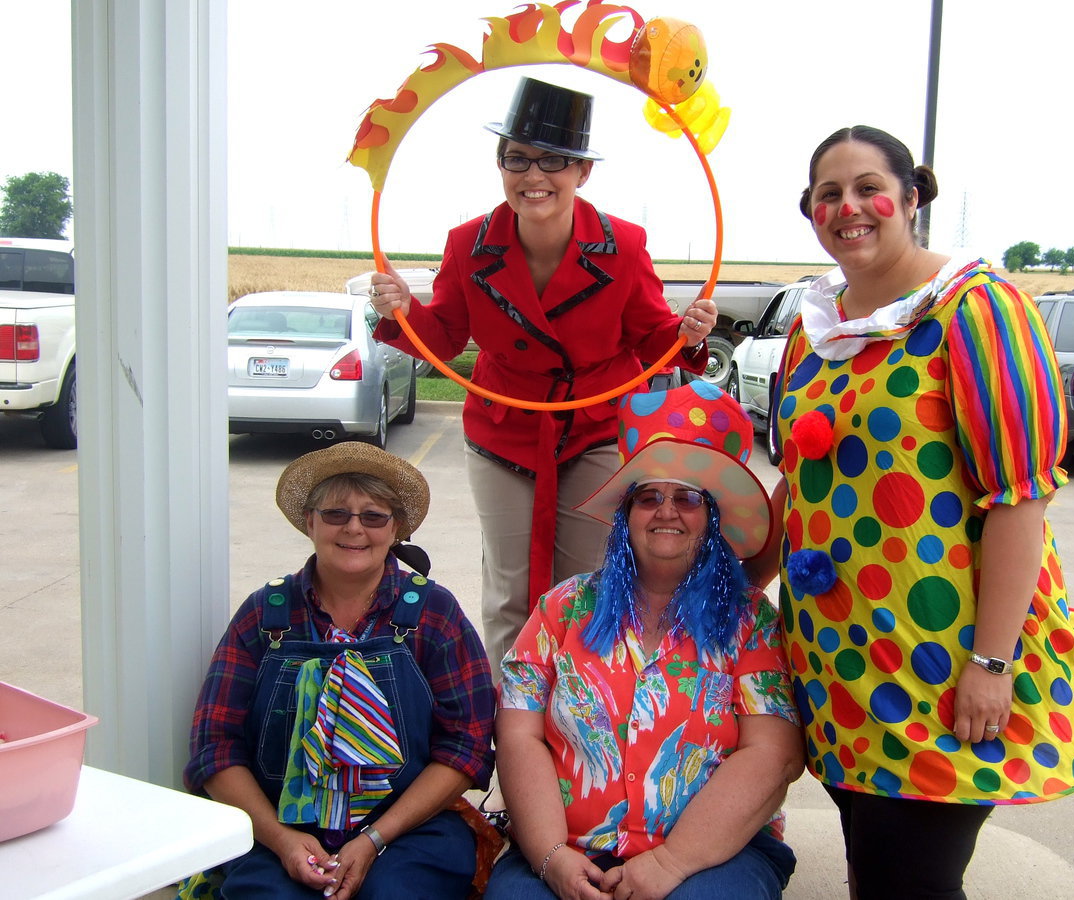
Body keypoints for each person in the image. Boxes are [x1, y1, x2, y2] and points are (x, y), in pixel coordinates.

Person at [745, 125, 1074, 898]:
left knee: (912, 878)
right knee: (874, 864)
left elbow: (1021, 499)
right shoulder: (814, 332)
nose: (848, 208)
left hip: (939, 661)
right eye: (828, 194)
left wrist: (992, 664)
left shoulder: (976, 309)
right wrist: (741, 585)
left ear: (912, 197)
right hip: (835, 662)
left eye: (869, 188)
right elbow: (800, 480)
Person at [367, 76, 717, 676]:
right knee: (509, 589)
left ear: (583, 171)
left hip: (596, 429)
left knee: (585, 585)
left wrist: (687, 332)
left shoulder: (623, 245)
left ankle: (581, 708)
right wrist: (402, 309)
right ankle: (513, 712)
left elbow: (652, 339)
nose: (534, 175)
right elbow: (443, 338)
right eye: (518, 158)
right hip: (503, 429)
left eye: (553, 160)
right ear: (500, 165)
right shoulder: (469, 245)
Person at [486, 383, 805, 900]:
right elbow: (518, 734)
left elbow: (775, 755)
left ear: (713, 517)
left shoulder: (750, 621)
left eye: (688, 498)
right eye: (649, 497)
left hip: (714, 854)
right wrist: (550, 856)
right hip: (570, 846)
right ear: (626, 515)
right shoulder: (561, 608)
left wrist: (671, 862)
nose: (666, 511)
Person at [184, 442, 498, 899]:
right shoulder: (265, 613)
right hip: (278, 827)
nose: (354, 528)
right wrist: (281, 840)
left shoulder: (434, 611)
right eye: (335, 514)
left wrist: (374, 839)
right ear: (309, 522)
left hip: (408, 829)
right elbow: (214, 746)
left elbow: (466, 747)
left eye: (373, 516)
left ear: (395, 529)